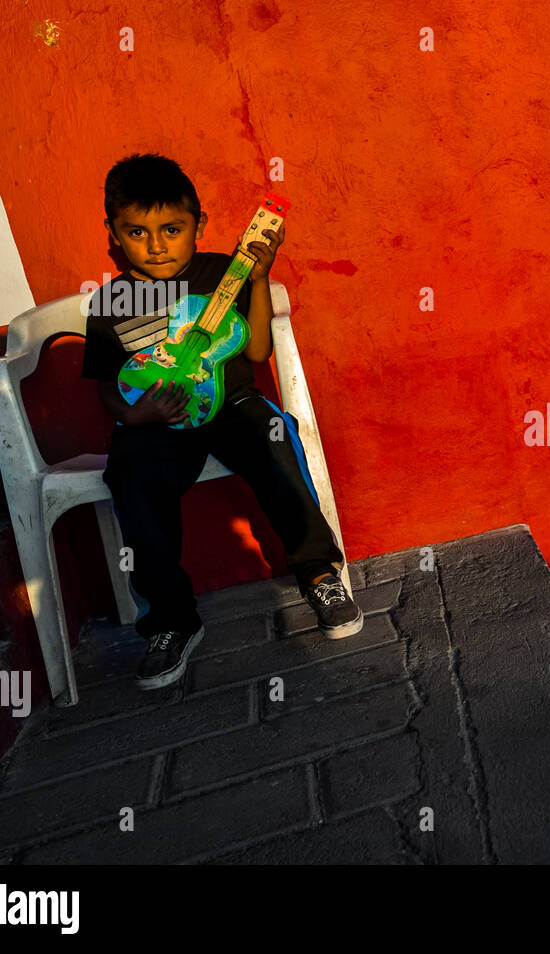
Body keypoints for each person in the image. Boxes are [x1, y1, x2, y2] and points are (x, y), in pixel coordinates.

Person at [80, 153, 362, 690]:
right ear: (114, 234)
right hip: (158, 420)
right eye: (137, 232)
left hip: (232, 405)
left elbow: (256, 350)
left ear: (198, 226)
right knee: (130, 475)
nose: (156, 245)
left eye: (172, 229)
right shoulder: (110, 302)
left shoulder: (219, 274)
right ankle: (170, 620)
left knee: (275, 437)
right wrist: (136, 416)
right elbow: (107, 390)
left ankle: (319, 572)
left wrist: (258, 279)